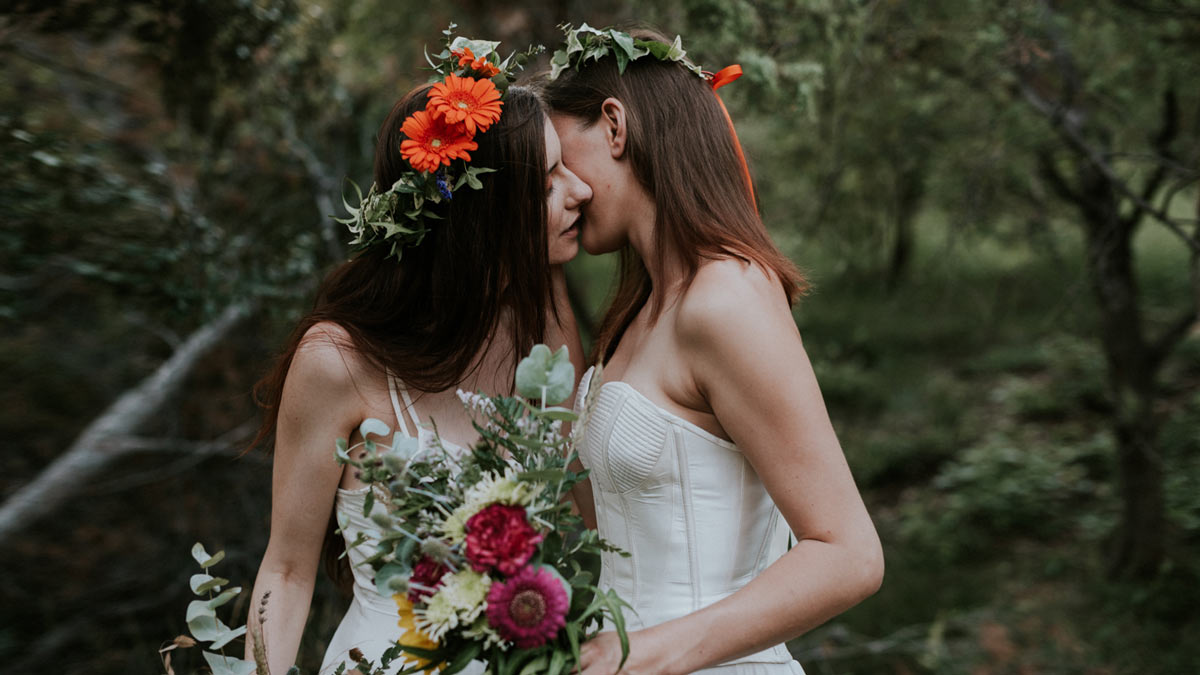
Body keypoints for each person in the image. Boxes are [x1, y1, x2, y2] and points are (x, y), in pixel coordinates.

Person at [542, 27, 884, 674]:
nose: (567, 189)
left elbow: (850, 555)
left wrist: (646, 651)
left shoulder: (726, 296)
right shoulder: (639, 311)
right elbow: (601, 523)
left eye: (564, 159)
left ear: (615, 126)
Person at [242, 53, 593, 674]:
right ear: (481, 218)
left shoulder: (548, 337)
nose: (580, 190)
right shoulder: (336, 362)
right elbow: (288, 572)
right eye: (548, 181)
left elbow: (578, 540)